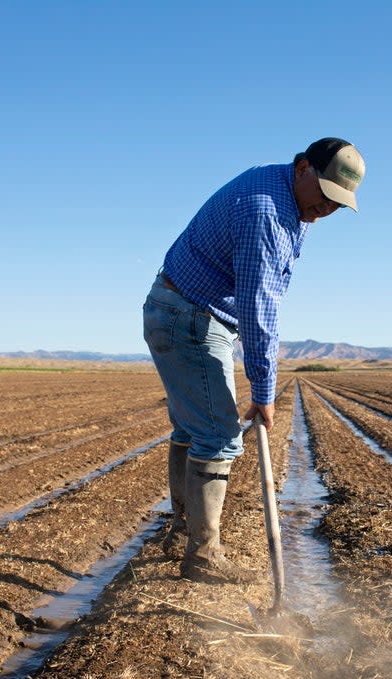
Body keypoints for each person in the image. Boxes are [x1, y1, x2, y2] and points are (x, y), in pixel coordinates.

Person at [142, 137, 366, 584]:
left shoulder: (283, 190)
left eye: (338, 204)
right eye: (324, 195)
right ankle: (202, 555)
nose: (327, 209)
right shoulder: (267, 212)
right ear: (303, 168)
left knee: (193, 428)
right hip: (191, 317)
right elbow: (260, 310)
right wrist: (265, 392)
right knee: (219, 436)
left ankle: (184, 531)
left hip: (176, 308)